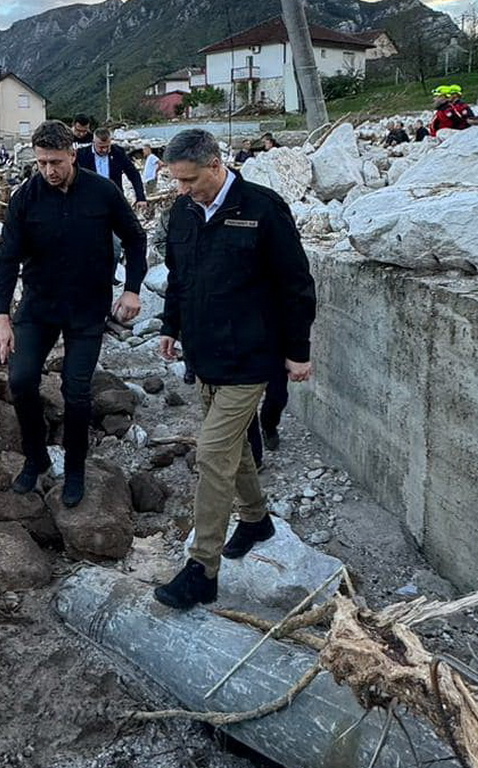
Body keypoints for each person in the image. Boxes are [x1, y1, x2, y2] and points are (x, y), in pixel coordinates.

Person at [154, 129, 316, 610]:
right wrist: (170, 326)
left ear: (216, 164)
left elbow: (296, 283)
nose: (182, 190)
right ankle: (256, 519)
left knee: (212, 453)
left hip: (250, 356)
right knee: (233, 449)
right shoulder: (182, 213)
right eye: (176, 181)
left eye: (189, 180)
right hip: (204, 356)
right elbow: (180, 278)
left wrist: (298, 350)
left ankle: (202, 569)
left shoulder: (262, 208)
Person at [0, 120, 147, 508]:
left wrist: (131, 289)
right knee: (22, 380)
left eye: (55, 162)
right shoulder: (25, 198)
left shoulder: (102, 191)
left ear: (72, 155)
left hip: (86, 308)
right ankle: (36, 456)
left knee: (76, 392)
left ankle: (75, 468)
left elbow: (135, 237)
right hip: (39, 306)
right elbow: (6, 259)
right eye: (42, 162)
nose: (49, 170)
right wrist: (0, 316)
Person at [76, 128, 147, 212]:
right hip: (90, 201)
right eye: (101, 147)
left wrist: (140, 197)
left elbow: (134, 174)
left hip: (114, 199)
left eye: (107, 146)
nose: (105, 150)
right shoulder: (82, 155)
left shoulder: (118, 152)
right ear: (93, 142)